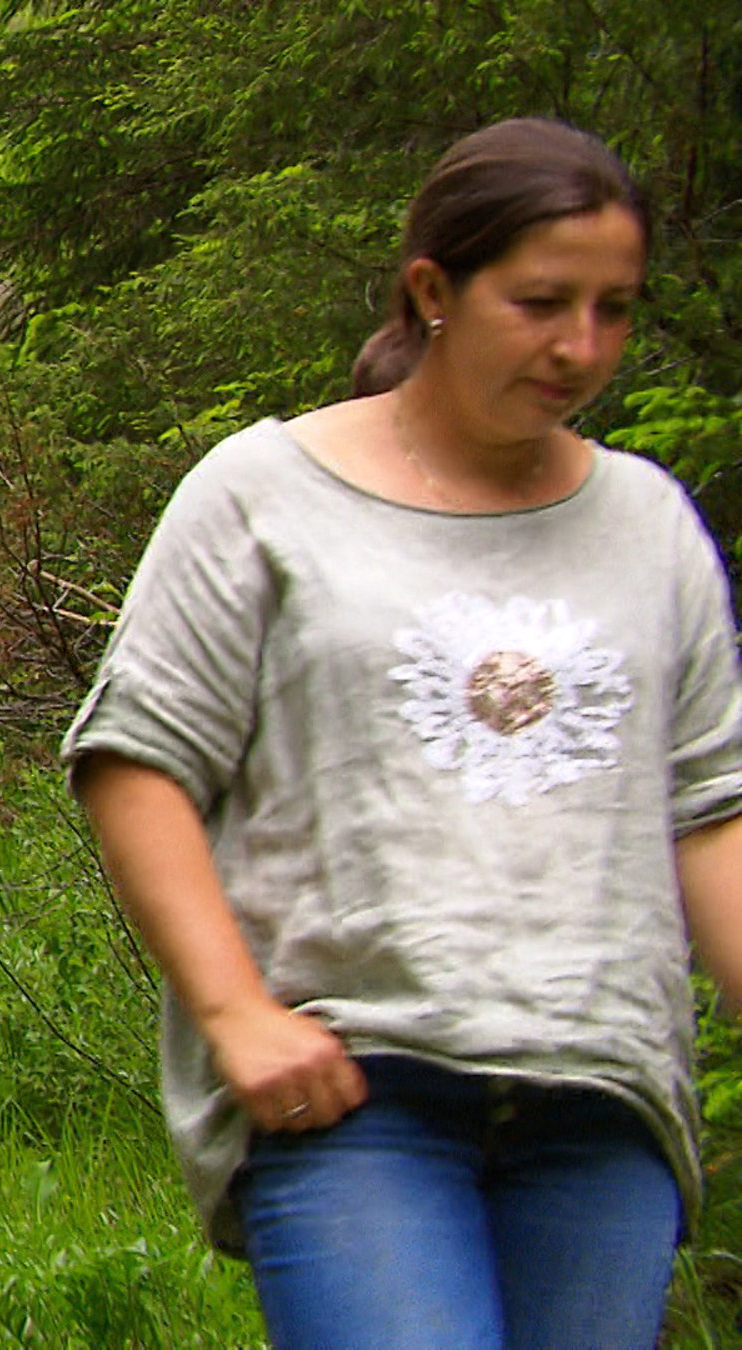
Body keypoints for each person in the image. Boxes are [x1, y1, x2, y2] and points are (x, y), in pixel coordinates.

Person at [62, 118, 742, 1349]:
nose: (578, 347)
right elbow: (136, 762)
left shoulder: (649, 523)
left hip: (604, 1091)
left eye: (613, 309)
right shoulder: (263, 493)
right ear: (433, 289)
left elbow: (707, 814)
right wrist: (232, 1015)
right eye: (539, 302)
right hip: (354, 1084)